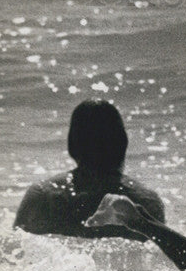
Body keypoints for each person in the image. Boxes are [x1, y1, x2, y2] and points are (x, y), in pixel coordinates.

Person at [14, 99, 165, 237]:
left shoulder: (44, 196)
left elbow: (13, 253)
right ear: (123, 143)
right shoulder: (145, 201)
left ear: (72, 146)